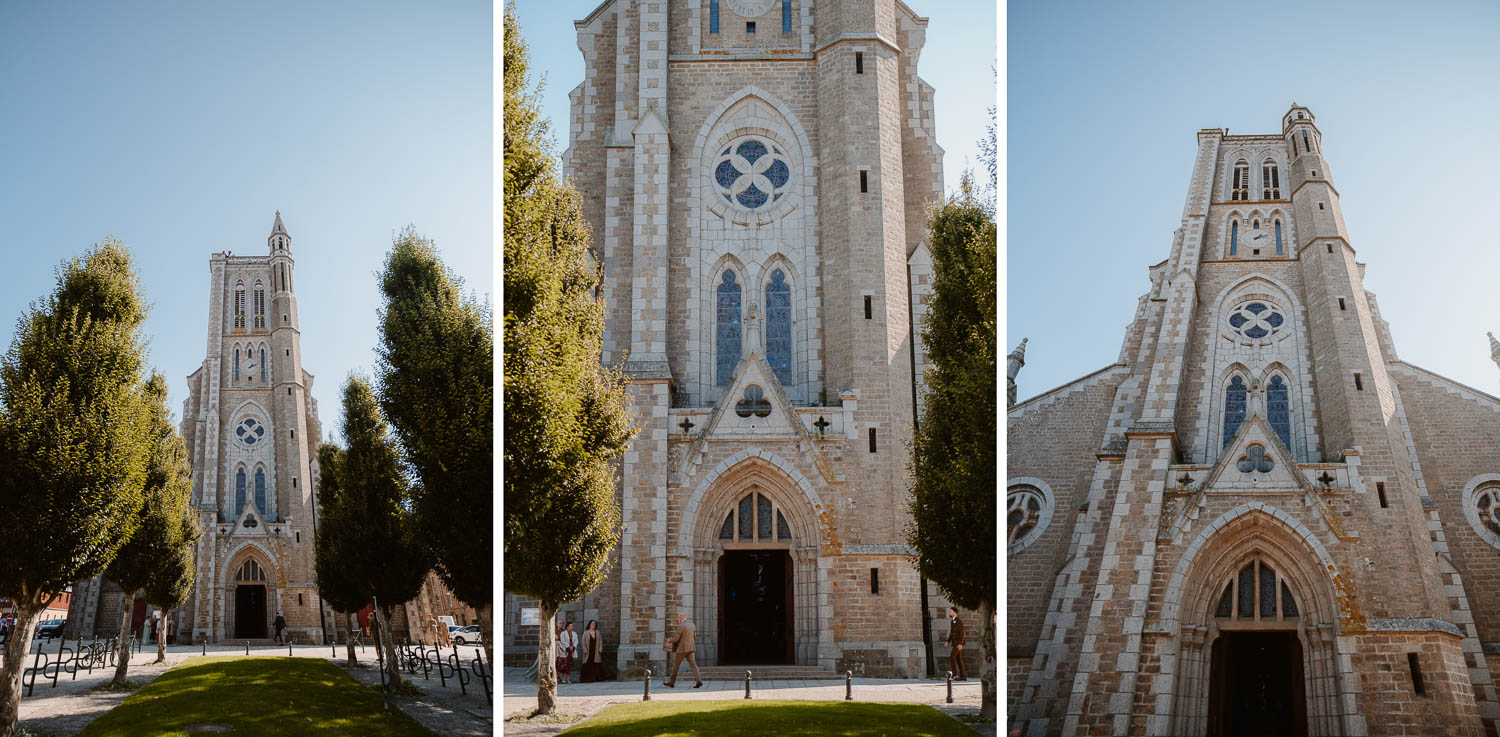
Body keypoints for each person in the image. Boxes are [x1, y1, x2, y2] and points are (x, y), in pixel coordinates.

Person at [663, 612, 701, 688]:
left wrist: (669, 640)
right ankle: (699, 681)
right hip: (691, 648)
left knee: (676, 666)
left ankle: (671, 682)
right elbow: (694, 637)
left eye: (678, 618)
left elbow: (676, 638)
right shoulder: (692, 625)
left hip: (682, 649)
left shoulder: (681, 626)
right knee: (694, 665)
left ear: (680, 618)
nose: (678, 619)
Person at [944, 607, 967, 681]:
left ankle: (954, 675)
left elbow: (962, 633)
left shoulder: (959, 621)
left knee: (952, 657)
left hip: (958, 644)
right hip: (954, 643)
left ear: (954, 612)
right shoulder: (952, 621)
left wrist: (960, 644)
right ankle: (963, 676)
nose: (950, 612)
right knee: (959, 660)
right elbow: (952, 633)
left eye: (951, 611)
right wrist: (948, 641)